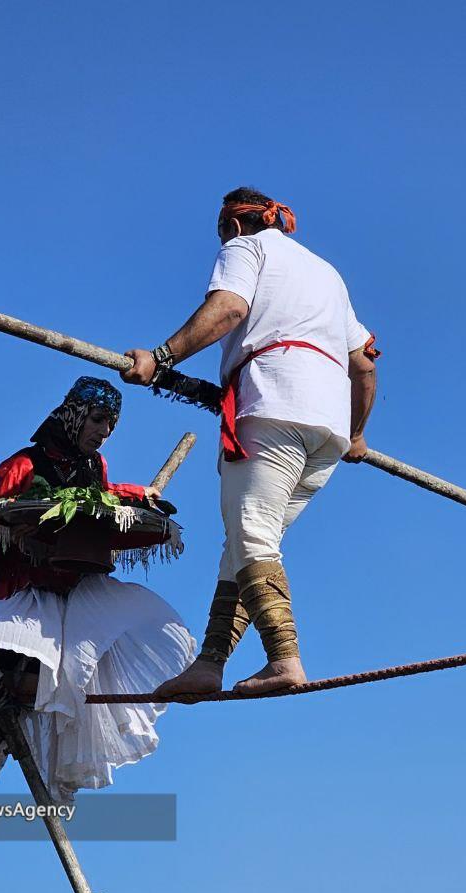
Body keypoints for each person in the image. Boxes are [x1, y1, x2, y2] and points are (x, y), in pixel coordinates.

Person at [122, 187, 379, 696]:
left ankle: (285, 659)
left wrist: (160, 357)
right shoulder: (328, 274)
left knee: (253, 538)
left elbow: (229, 309)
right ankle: (209, 662)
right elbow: (364, 366)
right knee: (244, 544)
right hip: (325, 429)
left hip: (273, 405)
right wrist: (356, 434)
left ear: (234, 226)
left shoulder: (246, 248)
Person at [0, 376, 196, 802]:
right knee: (30, 636)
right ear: (75, 415)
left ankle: (43, 695)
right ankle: (13, 689)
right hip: (15, 585)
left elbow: (96, 496)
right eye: (97, 420)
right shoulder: (23, 465)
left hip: (66, 583)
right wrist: (19, 532)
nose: (103, 433)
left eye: (111, 426)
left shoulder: (96, 466)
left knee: (99, 632)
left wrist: (136, 496)